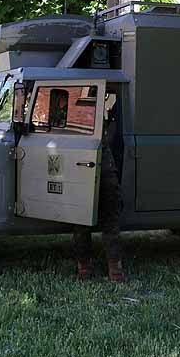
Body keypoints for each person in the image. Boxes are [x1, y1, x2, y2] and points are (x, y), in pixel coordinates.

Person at [74, 94, 126, 282]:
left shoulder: (75, 134)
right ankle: (116, 273)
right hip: (108, 176)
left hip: (85, 177)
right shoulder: (102, 131)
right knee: (111, 226)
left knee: (81, 225)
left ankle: (84, 271)